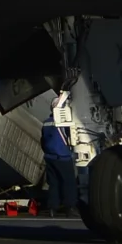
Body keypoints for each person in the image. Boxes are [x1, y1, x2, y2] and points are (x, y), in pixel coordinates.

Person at [41, 88, 81, 216]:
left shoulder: (46, 123)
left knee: (54, 183)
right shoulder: (63, 123)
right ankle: (70, 207)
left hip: (49, 157)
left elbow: (43, 141)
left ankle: (53, 208)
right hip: (62, 157)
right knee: (68, 183)